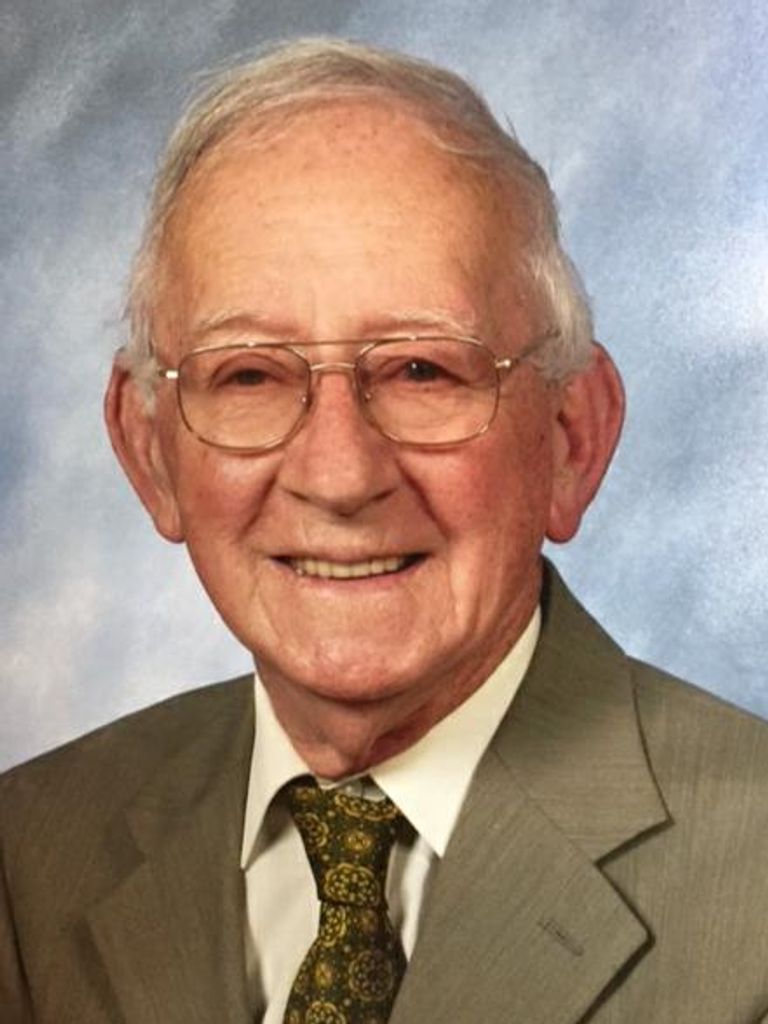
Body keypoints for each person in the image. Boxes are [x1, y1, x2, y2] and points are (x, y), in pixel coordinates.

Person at [1, 37, 767, 1024]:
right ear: (149, 451)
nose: (340, 475)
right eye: (249, 375)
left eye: (421, 371)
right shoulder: (27, 857)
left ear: (570, 439)